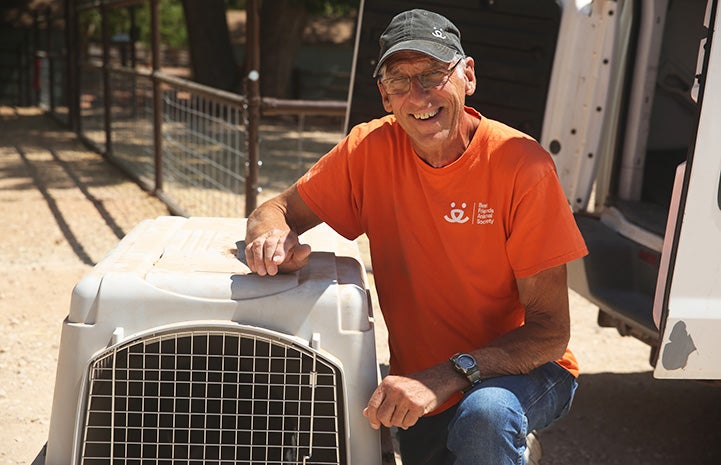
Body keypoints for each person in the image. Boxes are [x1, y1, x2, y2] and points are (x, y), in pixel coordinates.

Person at [244, 8, 588, 465]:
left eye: (432, 74)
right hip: (422, 382)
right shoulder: (368, 149)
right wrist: (271, 240)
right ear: (385, 96)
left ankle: (507, 438)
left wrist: (448, 374)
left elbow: (550, 332)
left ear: (467, 75)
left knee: (486, 416)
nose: (418, 94)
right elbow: (275, 208)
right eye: (399, 80)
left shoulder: (521, 164)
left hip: (523, 369)